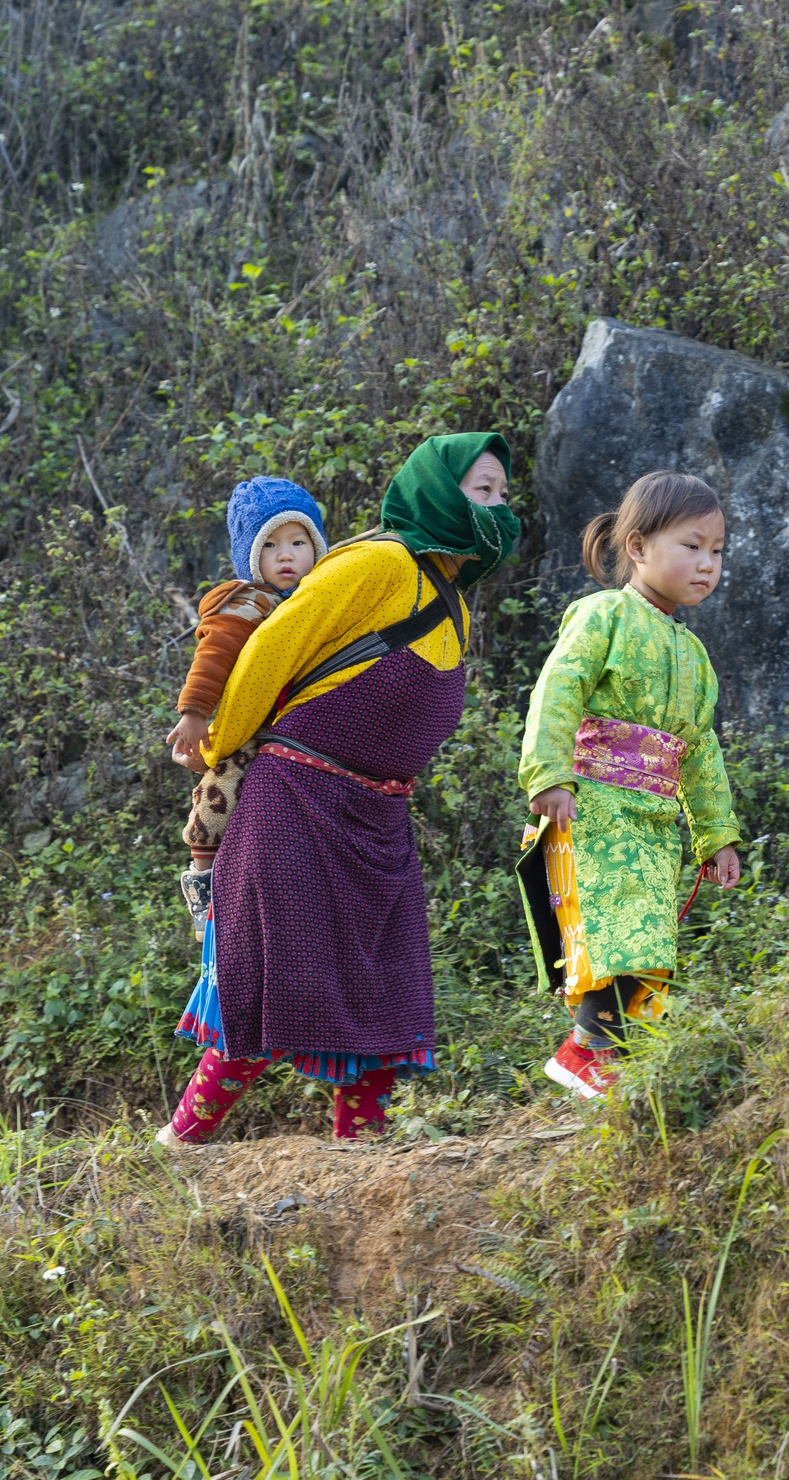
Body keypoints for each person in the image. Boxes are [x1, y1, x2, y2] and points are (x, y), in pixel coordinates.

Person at [158, 433, 522, 1146]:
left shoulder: (452, 601)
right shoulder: (381, 562)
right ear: (438, 493)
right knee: (268, 978)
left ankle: (364, 1151)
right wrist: (216, 741)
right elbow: (272, 645)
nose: (497, 508)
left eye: (504, 496)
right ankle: (181, 1143)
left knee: (385, 991)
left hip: (376, 817)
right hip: (293, 800)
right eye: (482, 491)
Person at [517, 471, 743, 1100]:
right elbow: (557, 690)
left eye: (717, 551)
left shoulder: (693, 655)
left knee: (651, 939)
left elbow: (700, 752)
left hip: (654, 817)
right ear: (639, 547)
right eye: (691, 546)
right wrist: (549, 774)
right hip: (595, 806)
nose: (707, 563)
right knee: (615, 929)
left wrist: (716, 836)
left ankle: (617, 1063)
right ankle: (587, 1052)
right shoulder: (604, 614)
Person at [166, 476, 327, 938]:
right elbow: (212, 658)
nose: (286, 555)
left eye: (299, 541)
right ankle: (204, 882)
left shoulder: (320, 598)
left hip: (297, 723)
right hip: (251, 725)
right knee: (219, 791)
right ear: (250, 557)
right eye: (270, 545)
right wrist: (195, 713)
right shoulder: (246, 602)